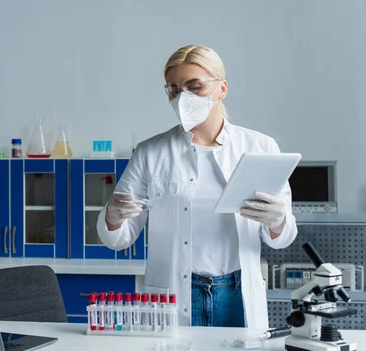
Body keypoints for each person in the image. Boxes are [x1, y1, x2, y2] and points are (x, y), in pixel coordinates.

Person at [97, 45, 297, 329]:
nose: (183, 98)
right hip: (176, 294)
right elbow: (119, 239)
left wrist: (278, 220)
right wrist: (113, 217)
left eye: (195, 86)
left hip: (237, 292)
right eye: (174, 89)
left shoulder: (260, 147)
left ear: (222, 88)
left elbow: (282, 238)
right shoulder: (150, 153)